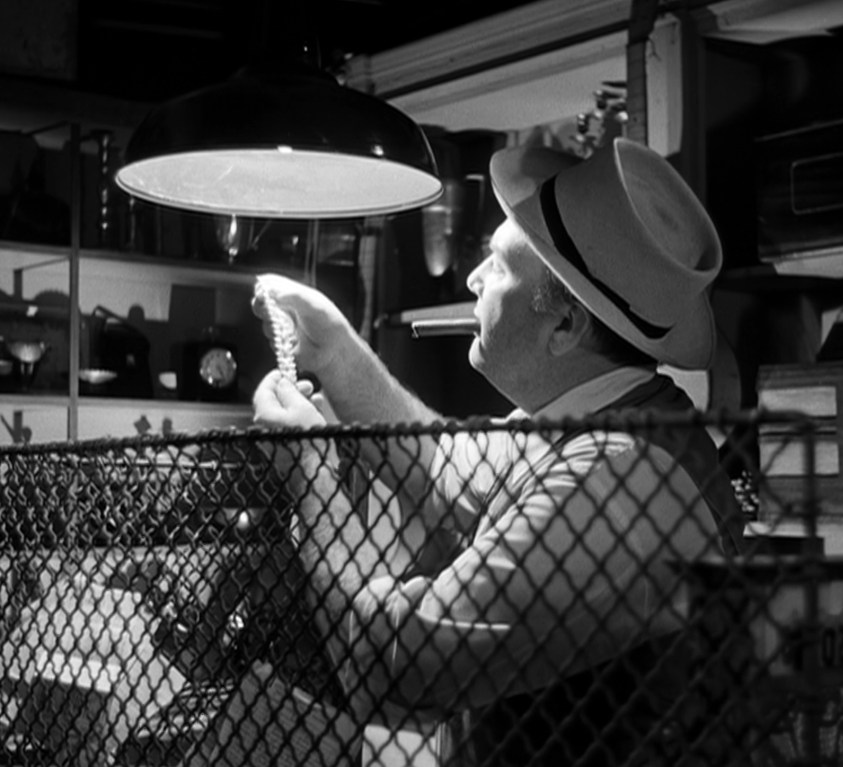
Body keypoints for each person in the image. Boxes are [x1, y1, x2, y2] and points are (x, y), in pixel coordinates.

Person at [247, 137, 745, 767]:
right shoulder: (580, 423)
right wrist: (336, 352)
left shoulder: (615, 478)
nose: (472, 279)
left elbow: (400, 669)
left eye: (498, 266)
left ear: (563, 327)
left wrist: (311, 476)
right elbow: (442, 470)